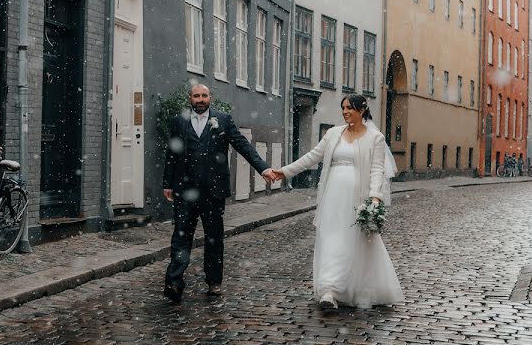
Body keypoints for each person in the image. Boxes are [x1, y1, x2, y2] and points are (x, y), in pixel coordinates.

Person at [271, 94, 403, 309]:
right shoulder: (333, 134)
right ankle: (329, 292)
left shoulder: (375, 138)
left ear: (362, 110)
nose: (345, 112)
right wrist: (285, 171)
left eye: (349, 108)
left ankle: (356, 287)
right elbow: (312, 157)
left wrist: (375, 197)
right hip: (332, 196)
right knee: (330, 238)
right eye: (343, 108)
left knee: (353, 242)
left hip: (357, 198)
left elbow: (377, 170)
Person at [162, 83, 276, 304]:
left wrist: (263, 168)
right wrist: (168, 183)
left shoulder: (222, 120)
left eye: (204, 95)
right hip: (185, 190)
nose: (201, 99)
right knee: (181, 237)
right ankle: (174, 282)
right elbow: (172, 153)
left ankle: (214, 281)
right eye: (196, 96)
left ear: (210, 98)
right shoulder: (179, 122)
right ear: (190, 98)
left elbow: (243, 145)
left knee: (214, 239)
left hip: (212, 191)